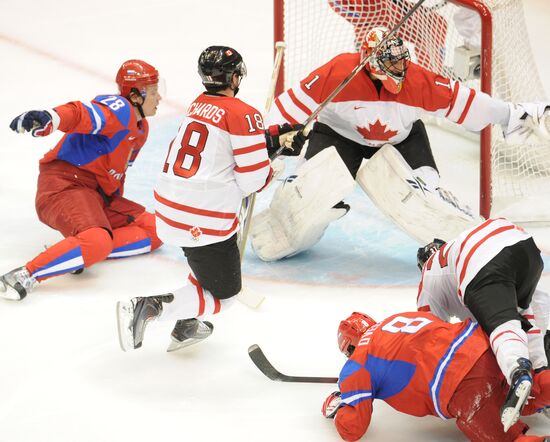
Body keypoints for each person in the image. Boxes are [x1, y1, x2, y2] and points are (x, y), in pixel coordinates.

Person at [250, 26, 549, 261]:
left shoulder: (418, 80)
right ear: (370, 61)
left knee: (428, 199)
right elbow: (289, 105)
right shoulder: (339, 71)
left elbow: (466, 102)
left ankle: (469, 247)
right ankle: (285, 226)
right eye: (390, 61)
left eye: (400, 59)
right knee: (309, 195)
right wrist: (271, 138)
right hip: (340, 136)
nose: (399, 67)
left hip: (402, 138)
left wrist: (510, 113)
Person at [116, 46, 300, 352]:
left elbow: (220, 150)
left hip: (170, 209)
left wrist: (269, 138)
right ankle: (149, 308)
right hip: (203, 218)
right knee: (225, 296)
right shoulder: (244, 113)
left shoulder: (197, 105)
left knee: (205, 266)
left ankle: (186, 326)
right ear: (235, 77)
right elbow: (251, 181)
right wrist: (273, 161)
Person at [1, 60, 163, 301]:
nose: (159, 98)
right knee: (97, 241)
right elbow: (82, 113)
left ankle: (75, 251)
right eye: (152, 92)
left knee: (158, 229)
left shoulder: (141, 129)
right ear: (136, 95)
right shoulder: (121, 109)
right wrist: (51, 118)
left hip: (96, 195)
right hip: (64, 186)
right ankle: (25, 276)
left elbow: (117, 173)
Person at [322, 311, 550, 441]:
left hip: (459, 384)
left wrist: (340, 405)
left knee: (506, 439)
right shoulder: (396, 317)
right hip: (486, 348)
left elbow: (353, 429)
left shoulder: (356, 365)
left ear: (349, 349)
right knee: (532, 390)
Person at [416, 218, 550, 429]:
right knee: (523, 319)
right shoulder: (456, 249)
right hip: (526, 248)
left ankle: (518, 371)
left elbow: (428, 334)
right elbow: (529, 317)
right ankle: (544, 375)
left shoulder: (430, 272)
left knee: (501, 326)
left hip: (485, 259)